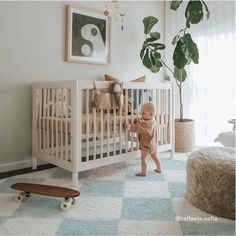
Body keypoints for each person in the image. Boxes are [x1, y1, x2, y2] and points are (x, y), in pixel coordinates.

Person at [125, 102, 161, 176]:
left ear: (151, 114)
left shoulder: (147, 124)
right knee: (155, 158)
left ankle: (144, 172)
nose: (141, 115)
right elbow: (144, 125)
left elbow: (140, 129)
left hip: (146, 145)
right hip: (153, 145)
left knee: (143, 158)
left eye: (143, 113)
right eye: (141, 113)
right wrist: (140, 121)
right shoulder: (152, 121)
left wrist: (129, 127)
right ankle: (159, 168)